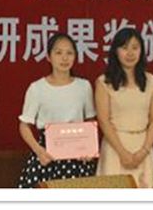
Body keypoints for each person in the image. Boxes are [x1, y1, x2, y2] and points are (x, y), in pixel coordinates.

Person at [17, 33, 97, 187]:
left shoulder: (84, 86)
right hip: (46, 156)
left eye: (69, 53)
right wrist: (38, 150)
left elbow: (90, 121)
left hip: (77, 158)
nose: (64, 58)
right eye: (58, 53)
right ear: (49, 57)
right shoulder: (37, 88)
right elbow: (24, 125)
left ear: (75, 56)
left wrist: (89, 147)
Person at [95, 28, 153, 188]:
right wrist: (122, 153)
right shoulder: (104, 82)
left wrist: (143, 151)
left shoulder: (151, 81)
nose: (130, 53)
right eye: (124, 48)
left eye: (135, 47)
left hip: (143, 148)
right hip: (115, 148)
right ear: (115, 51)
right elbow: (103, 120)